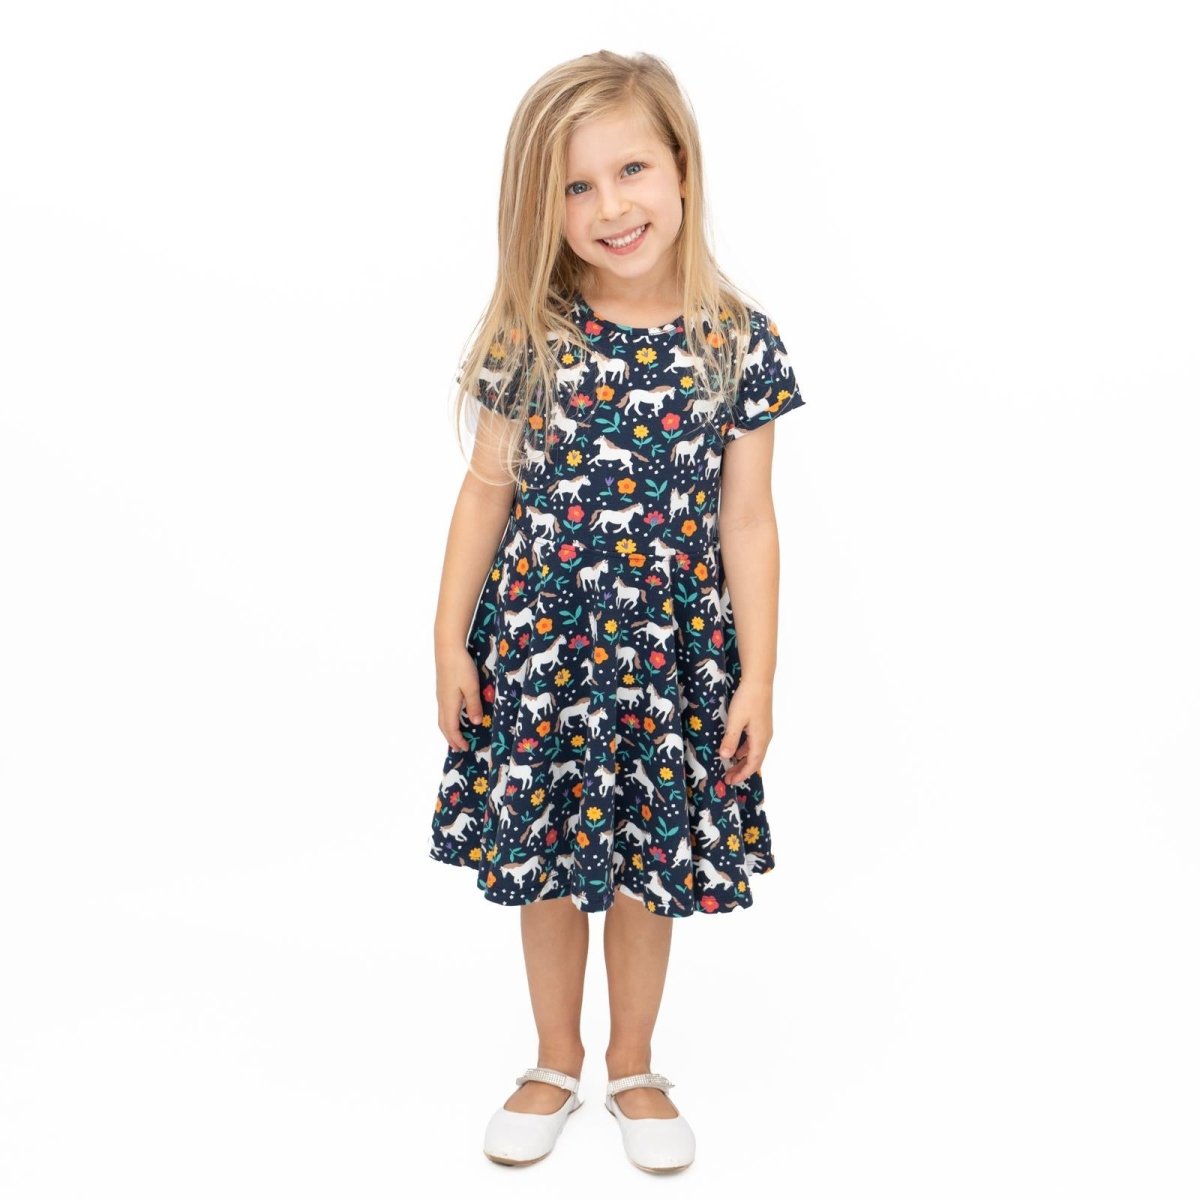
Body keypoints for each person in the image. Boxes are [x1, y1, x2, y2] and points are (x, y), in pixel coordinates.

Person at [427, 50, 807, 1173]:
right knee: (546, 862)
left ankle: (633, 1065)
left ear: (682, 165)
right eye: (576, 187)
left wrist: (758, 674)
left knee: (649, 867)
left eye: (631, 169)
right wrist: (448, 640)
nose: (610, 207)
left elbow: (749, 522)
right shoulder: (532, 332)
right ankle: (555, 1059)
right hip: (542, 652)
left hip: (668, 662)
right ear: (543, 206)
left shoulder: (737, 342)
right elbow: (485, 492)